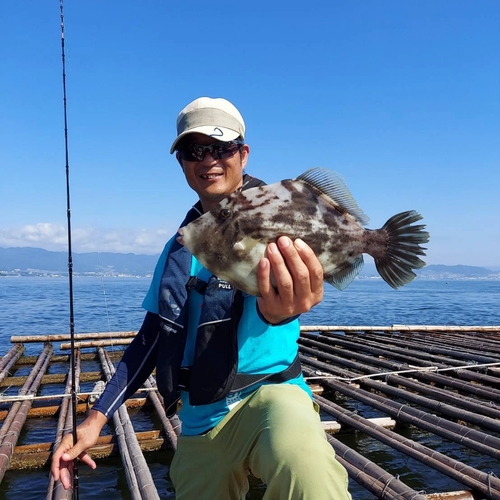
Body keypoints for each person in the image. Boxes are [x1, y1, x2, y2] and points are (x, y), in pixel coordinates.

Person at [51, 97, 352, 500]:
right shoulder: (178, 249)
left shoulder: (278, 213)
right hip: (199, 417)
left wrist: (279, 313)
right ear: (182, 163)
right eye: (195, 150)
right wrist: (94, 420)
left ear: (243, 155)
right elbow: (151, 339)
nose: (208, 159)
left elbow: (273, 306)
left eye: (222, 147)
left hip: (272, 396)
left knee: (308, 474)